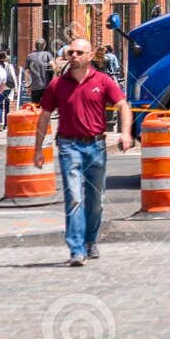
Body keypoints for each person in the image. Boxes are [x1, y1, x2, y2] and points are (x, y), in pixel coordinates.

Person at [34, 37, 132, 266]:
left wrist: (125, 133)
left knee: (95, 200)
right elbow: (44, 116)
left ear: (89, 56)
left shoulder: (104, 81)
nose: (74, 56)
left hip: (96, 146)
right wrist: (38, 149)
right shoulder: (56, 85)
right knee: (74, 198)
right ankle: (76, 249)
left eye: (79, 53)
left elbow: (123, 106)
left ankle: (90, 240)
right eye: (71, 53)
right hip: (69, 146)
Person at [23, 39, 54, 104]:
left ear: (35, 46)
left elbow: (26, 73)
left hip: (34, 87)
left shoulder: (30, 56)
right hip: (46, 86)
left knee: (35, 107)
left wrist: (28, 86)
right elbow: (53, 67)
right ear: (44, 46)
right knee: (46, 107)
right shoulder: (47, 54)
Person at [0, 49, 20, 128]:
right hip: (8, 87)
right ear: (5, 57)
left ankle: (0, 122)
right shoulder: (9, 66)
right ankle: (6, 125)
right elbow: (13, 77)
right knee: (7, 106)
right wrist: (16, 88)